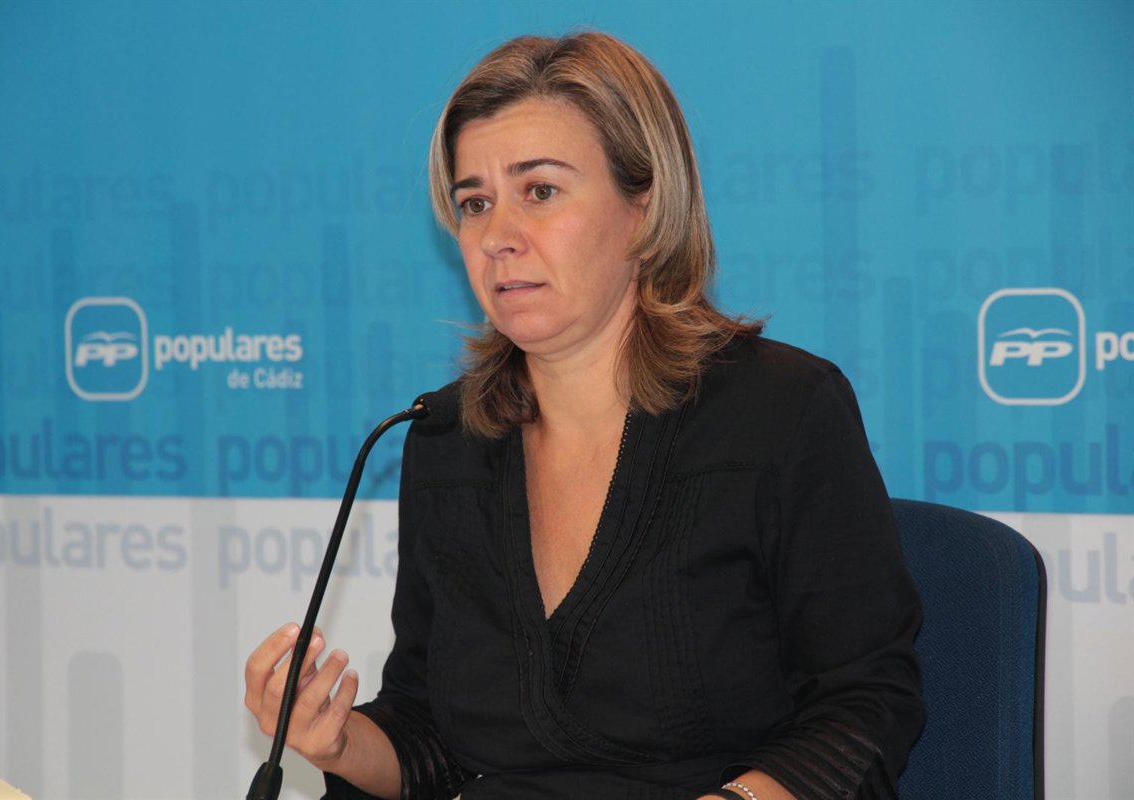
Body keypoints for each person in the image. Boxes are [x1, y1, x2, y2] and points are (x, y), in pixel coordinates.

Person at [245, 32, 924, 800]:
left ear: (644, 207)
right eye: (474, 203)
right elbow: (431, 730)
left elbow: (864, 710)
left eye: (540, 191)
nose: (498, 238)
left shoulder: (783, 413)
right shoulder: (447, 437)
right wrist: (340, 742)